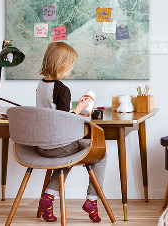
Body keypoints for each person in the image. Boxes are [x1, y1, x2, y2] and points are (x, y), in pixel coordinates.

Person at [36, 42, 107, 223]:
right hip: (59, 146)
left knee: (66, 157)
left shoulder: (41, 85)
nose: (71, 70)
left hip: (42, 146)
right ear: (61, 64)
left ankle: (49, 198)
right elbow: (64, 121)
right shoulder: (62, 89)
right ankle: (92, 200)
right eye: (71, 65)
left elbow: (53, 115)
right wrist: (80, 108)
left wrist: (77, 110)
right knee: (101, 154)